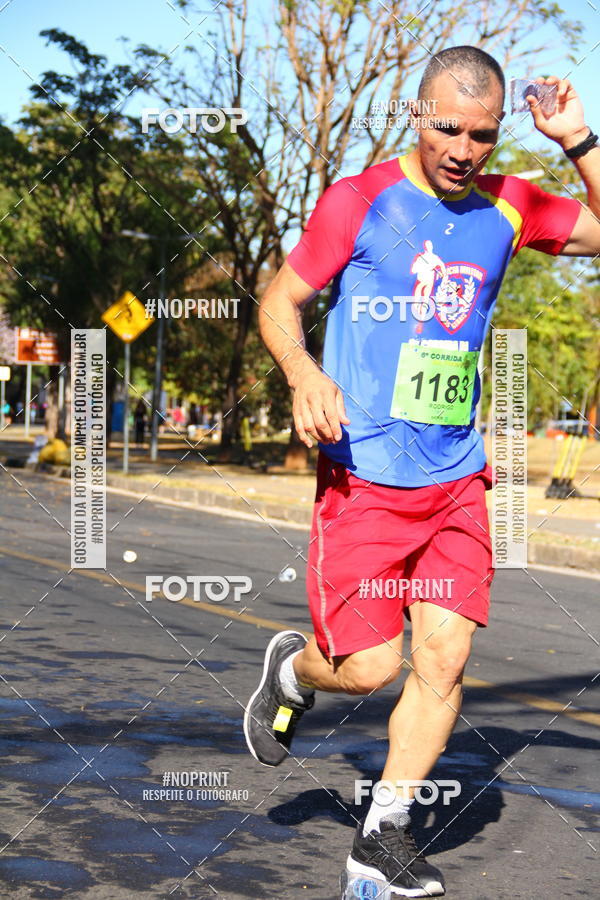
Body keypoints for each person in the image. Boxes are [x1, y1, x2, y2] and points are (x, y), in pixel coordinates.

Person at [243, 45, 600, 897]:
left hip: (454, 482)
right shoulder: (359, 201)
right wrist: (304, 372)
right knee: (372, 669)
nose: (463, 148)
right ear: (415, 111)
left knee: (441, 662)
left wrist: (578, 140)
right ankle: (294, 671)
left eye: (482, 133)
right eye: (448, 127)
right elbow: (278, 301)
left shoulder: (510, 205)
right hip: (364, 479)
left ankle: (383, 834)